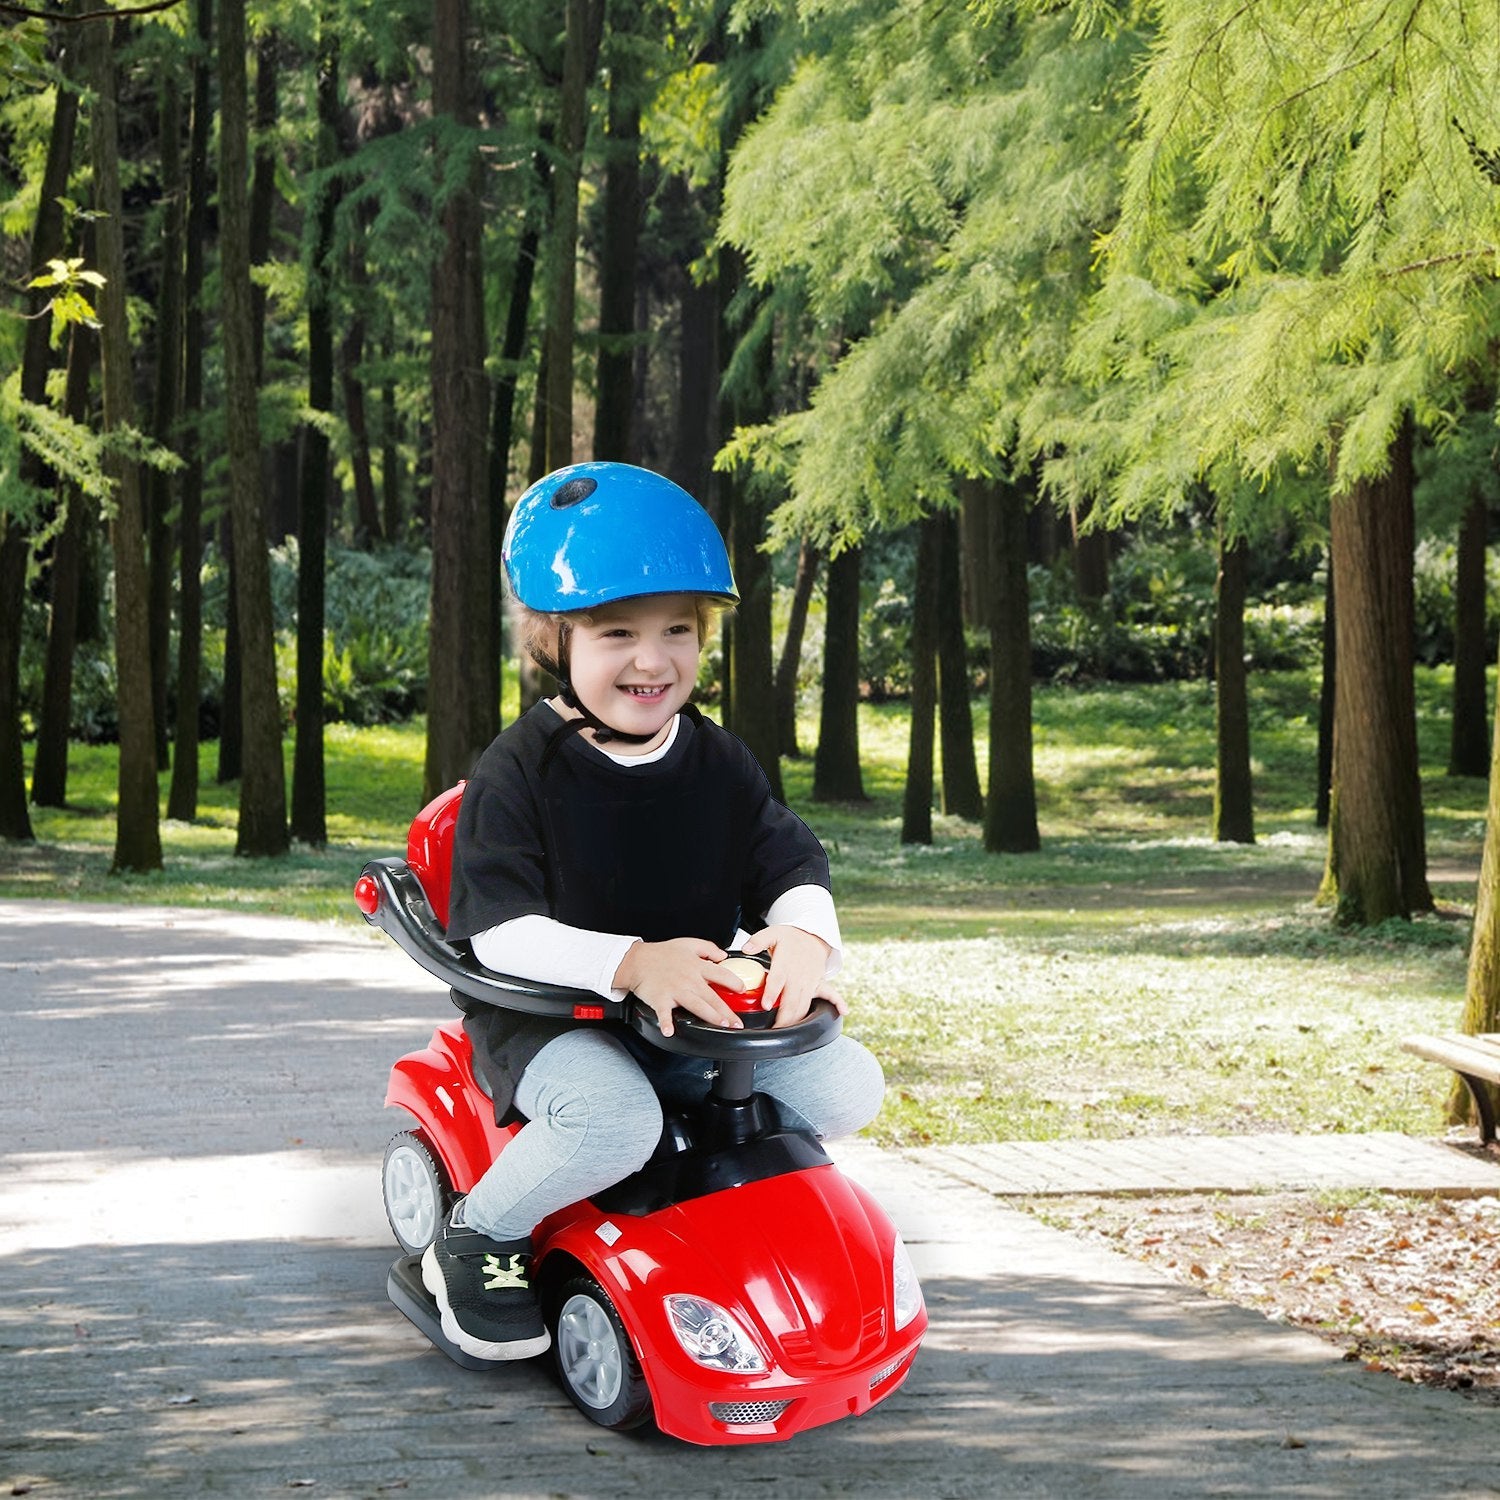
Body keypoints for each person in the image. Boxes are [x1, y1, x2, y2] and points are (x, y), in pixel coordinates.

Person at [422, 460, 885, 1361]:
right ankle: (478, 1233)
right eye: (617, 632)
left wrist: (802, 933)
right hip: (553, 1018)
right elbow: (500, 931)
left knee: (846, 1084)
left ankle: (718, 1199)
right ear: (555, 639)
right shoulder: (519, 771)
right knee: (615, 1123)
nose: (651, 658)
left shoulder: (717, 760)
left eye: (678, 628)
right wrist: (631, 962)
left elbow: (788, 858)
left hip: (688, 1015)